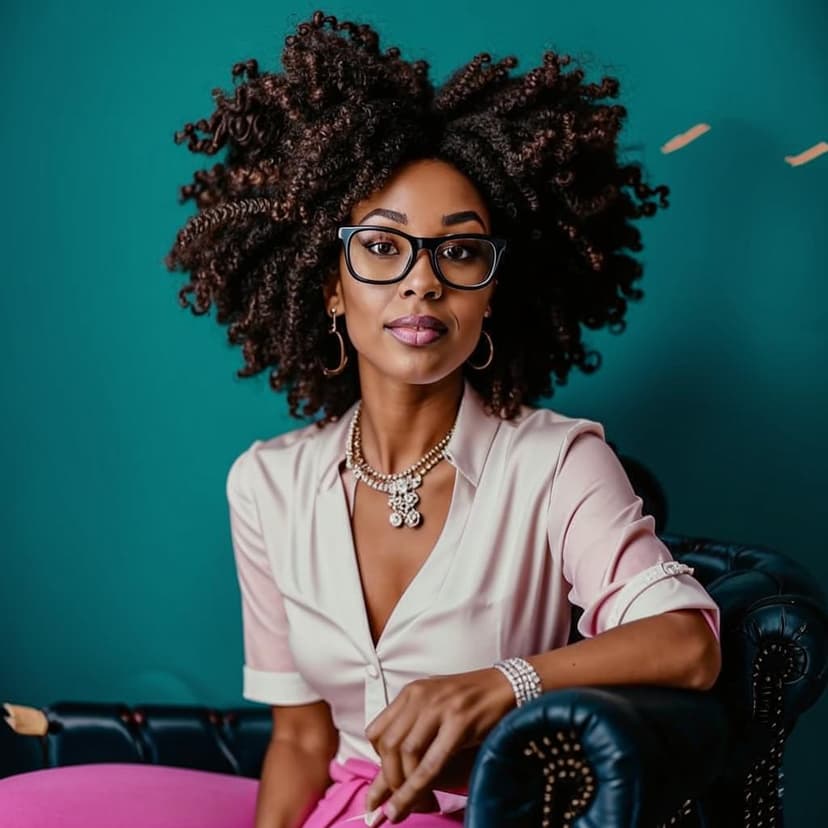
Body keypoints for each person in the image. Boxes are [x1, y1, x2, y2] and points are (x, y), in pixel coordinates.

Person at [164, 10, 722, 827]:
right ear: (329, 285)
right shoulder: (266, 484)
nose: (422, 283)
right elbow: (299, 740)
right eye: (383, 248)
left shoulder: (556, 463)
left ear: (491, 290)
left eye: (459, 252)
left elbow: (690, 645)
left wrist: (507, 681)